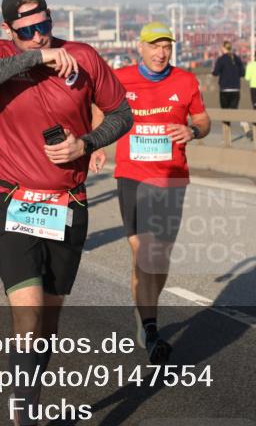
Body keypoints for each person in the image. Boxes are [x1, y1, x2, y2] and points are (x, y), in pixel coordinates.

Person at [0, 0, 132, 426]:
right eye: (27, 29)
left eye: (45, 25)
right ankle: (26, 420)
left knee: (48, 325)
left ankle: (27, 391)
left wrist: (86, 144)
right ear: (8, 29)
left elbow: (123, 113)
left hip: (67, 204)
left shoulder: (84, 57)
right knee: (28, 314)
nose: (38, 34)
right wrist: (36, 57)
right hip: (11, 201)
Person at [89, 22, 210, 365]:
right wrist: (97, 144)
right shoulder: (120, 79)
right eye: (155, 46)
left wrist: (192, 130)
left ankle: (145, 309)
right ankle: (151, 327)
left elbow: (203, 120)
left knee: (160, 256)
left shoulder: (185, 81)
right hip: (133, 175)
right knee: (143, 251)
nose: (161, 53)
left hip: (172, 176)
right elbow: (100, 110)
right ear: (139, 48)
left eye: (166, 47)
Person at [211, 40, 244, 109]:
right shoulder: (237, 59)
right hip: (235, 88)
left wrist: (213, 70)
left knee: (225, 112)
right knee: (233, 112)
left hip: (224, 89)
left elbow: (215, 73)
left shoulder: (221, 59)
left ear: (223, 48)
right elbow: (242, 73)